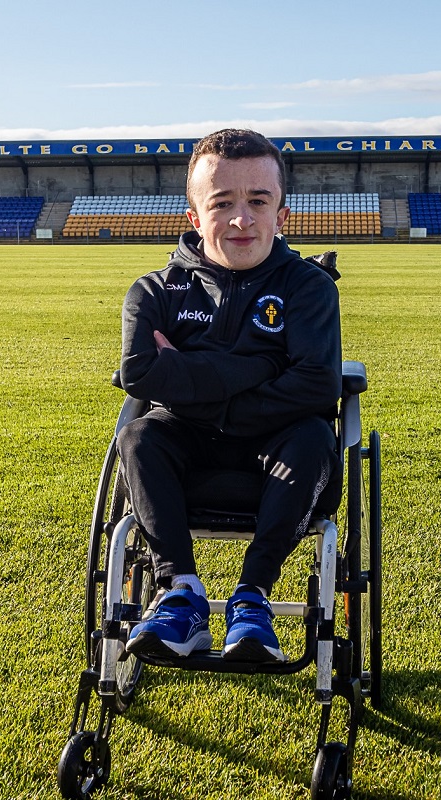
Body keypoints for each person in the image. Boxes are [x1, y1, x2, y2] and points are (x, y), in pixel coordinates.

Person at [116, 129, 342, 663]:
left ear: (282, 215)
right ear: (195, 217)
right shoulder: (153, 291)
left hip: (281, 444)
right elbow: (140, 372)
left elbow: (317, 385)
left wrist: (189, 374)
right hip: (184, 445)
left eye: (258, 201)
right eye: (222, 203)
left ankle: (253, 596)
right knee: (140, 434)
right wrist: (265, 364)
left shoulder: (309, 288)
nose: (242, 219)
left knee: (314, 437)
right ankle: (181, 594)